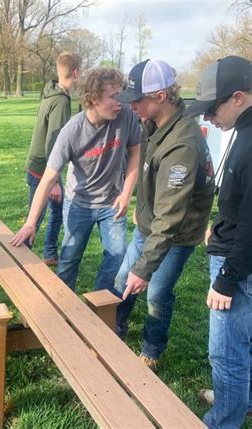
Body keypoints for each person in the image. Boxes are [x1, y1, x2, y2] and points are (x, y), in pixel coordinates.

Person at [113, 59, 215, 371]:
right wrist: (141, 210)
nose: (133, 108)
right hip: (151, 225)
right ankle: (114, 332)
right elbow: (151, 176)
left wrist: (144, 269)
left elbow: (171, 217)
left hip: (176, 233)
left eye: (138, 100)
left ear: (160, 96)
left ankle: (152, 349)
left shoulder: (182, 143)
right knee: (121, 281)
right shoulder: (153, 124)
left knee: (156, 291)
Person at [12, 68, 141, 292]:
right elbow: (48, 178)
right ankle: (64, 313)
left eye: (121, 95)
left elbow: (137, 151)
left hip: (112, 202)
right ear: (93, 99)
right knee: (69, 260)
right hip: (78, 202)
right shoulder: (72, 132)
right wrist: (31, 223)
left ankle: (99, 307)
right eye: (113, 96)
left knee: (116, 258)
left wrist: (126, 192)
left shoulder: (126, 115)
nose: (120, 102)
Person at [186, 55, 252, 429]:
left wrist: (227, 277)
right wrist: (220, 221)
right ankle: (241, 398)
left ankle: (224, 420)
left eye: (212, 108)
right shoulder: (243, 130)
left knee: (227, 352)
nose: (208, 117)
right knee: (245, 341)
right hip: (234, 248)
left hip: (238, 265)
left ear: (238, 97)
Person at [24, 51, 81, 265]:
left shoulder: (50, 92)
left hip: (36, 165)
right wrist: (54, 182)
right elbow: (53, 141)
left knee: (53, 212)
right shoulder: (60, 101)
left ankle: (49, 254)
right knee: (36, 217)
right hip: (42, 168)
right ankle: (23, 257)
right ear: (75, 72)